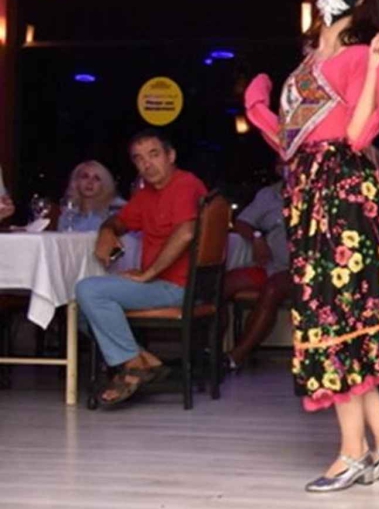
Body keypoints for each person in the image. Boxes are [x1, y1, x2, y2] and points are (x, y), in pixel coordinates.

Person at [244, 0, 379, 493]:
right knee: (333, 320)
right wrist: (259, 109)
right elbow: (290, 139)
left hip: (344, 195)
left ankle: (354, 452)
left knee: (334, 320)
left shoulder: (359, 54)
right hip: (308, 195)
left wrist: (373, 70)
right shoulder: (305, 63)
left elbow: (356, 133)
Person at [80, 131, 207, 408]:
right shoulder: (147, 194)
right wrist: (107, 230)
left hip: (179, 286)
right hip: (159, 284)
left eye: (154, 154)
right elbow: (120, 221)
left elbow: (186, 233)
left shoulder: (185, 184)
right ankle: (143, 361)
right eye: (139, 159)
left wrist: (149, 274)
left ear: (170, 156)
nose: (147, 164)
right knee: (78, 310)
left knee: (88, 290)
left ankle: (133, 366)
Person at [223, 171, 292, 370]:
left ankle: (235, 357)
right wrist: (257, 237)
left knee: (272, 289)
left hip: (300, 272)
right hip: (271, 265)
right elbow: (242, 222)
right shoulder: (269, 195)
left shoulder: (320, 193)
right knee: (224, 284)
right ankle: (206, 351)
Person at [59, 160, 125, 231]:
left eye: (96, 178)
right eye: (85, 177)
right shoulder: (68, 213)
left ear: (104, 185)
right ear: (76, 182)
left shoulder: (115, 208)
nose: (90, 182)